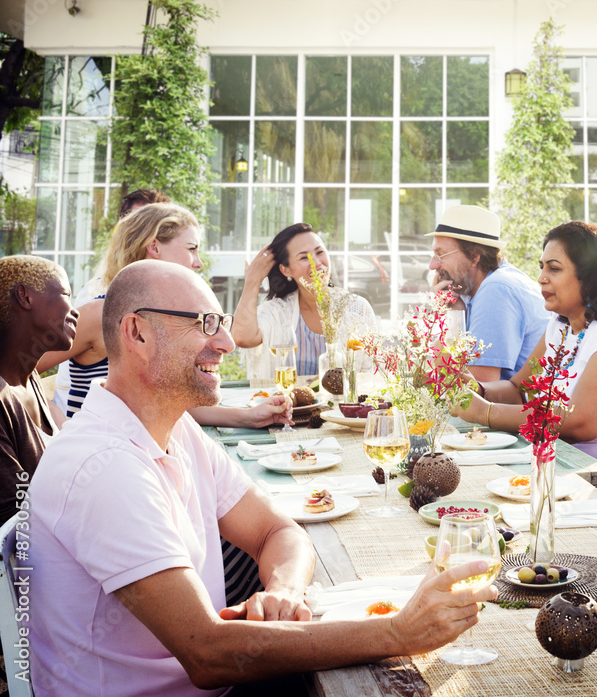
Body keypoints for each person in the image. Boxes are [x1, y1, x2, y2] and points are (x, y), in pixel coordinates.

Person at [28, 260, 498, 696]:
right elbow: (208, 653)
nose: (227, 343)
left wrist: (284, 593)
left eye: (222, 324)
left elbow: (278, 530)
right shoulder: (105, 465)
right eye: (204, 324)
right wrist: (397, 633)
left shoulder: (176, 428)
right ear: (138, 333)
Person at [38, 203, 290, 428]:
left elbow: (171, 399)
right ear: (154, 247)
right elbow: (12, 372)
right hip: (101, 457)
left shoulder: (166, 316)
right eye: (191, 249)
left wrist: (247, 417)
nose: (198, 262)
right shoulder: (99, 314)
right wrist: (59, 426)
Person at [454, 221, 597, 458]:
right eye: (542, 267)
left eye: (554, 269)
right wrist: (477, 389)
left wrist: (486, 413)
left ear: (589, 275)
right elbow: (519, 390)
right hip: (552, 458)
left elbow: (580, 423)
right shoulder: (560, 324)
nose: (542, 278)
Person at [233, 222, 377, 380]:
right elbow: (242, 338)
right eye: (303, 257)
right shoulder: (277, 313)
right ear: (286, 270)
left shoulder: (357, 308)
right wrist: (252, 280)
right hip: (290, 404)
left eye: (320, 252)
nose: (316, 262)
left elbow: (370, 374)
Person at [427, 205, 549, 382]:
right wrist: (455, 314)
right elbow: (435, 373)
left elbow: (475, 391)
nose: (433, 265)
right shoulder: (473, 290)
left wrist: (452, 320)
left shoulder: (497, 289)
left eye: (441, 255)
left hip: (515, 406)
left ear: (475, 256)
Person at [0, 256, 78, 523]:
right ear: (25, 296)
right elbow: (17, 524)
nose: (75, 311)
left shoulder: (27, 376)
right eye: (67, 294)